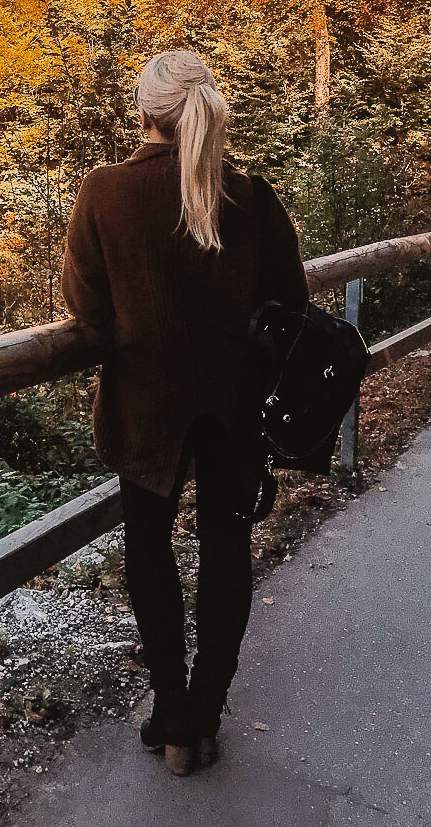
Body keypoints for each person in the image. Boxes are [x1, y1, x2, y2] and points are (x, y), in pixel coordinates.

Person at [60, 50, 308, 775]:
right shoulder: (250, 195)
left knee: (149, 551)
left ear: (143, 113)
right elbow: (290, 303)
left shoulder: (104, 192)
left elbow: (87, 308)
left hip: (145, 408)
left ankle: (171, 714)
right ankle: (203, 712)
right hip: (234, 409)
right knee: (227, 554)